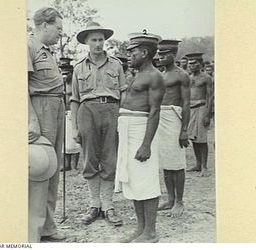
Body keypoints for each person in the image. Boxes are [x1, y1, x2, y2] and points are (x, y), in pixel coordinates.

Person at [70, 22, 126, 226]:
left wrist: (122, 118)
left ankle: (108, 206)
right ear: (86, 42)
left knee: (110, 158)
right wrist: (75, 128)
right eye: (93, 40)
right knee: (90, 159)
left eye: (101, 39)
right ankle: (95, 205)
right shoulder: (78, 68)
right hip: (87, 112)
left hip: (111, 110)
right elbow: (75, 99)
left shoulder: (116, 64)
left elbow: (124, 93)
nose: (98, 44)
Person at [115, 30, 165, 243]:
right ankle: (141, 228)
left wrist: (146, 144)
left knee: (146, 179)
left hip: (141, 130)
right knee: (134, 180)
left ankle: (150, 232)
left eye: (132, 51)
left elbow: (154, 111)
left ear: (144, 52)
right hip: (128, 129)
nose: (128, 55)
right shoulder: (137, 74)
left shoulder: (154, 76)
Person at [27, 7, 66, 242]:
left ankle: (48, 227)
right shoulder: (28, 46)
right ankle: (34, 232)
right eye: (58, 28)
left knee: (53, 169)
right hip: (40, 109)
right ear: (44, 25)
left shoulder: (48, 51)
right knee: (40, 168)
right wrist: (31, 118)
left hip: (56, 107)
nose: (60, 33)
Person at [156, 40, 190, 217]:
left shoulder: (181, 75)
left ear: (173, 55)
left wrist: (184, 130)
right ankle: (170, 198)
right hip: (161, 118)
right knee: (166, 163)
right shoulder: (159, 75)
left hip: (174, 118)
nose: (160, 57)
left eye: (164, 54)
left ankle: (179, 201)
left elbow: (186, 103)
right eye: (159, 54)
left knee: (176, 163)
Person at [185, 53, 213, 177]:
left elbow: (210, 96)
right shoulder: (187, 77)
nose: (191, 65)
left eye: (194, 63)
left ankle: (205, 167)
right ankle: (198, 164)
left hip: (202, 108)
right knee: (194, 138)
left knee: (202, 139)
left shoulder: (206, 78)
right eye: (190, 63)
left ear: (200, 64)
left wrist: (208, 114)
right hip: (190, 109)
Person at [28, 136, 58, 243]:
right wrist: (32, 119)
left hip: (55, 119)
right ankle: (33, 234)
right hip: (39, 120)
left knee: (52, 166)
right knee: (39, 161)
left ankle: (47, 227)